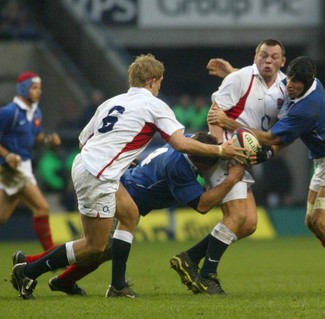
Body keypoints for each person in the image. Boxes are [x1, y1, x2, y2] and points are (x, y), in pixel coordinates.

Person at [11, 54, 247, 300]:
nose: (160, 87)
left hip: (91, 165)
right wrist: (222, 150)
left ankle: (118, 286)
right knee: (94, 246)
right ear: (153, 81)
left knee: (130, 214)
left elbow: (83, 141)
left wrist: (121, 158)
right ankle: (29, 270)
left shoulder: (112, 102)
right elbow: (179, 143)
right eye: (160, 82)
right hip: (99, 173)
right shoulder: (154, 105)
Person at [11, 132, 245, 296]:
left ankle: (59, 279)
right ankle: (30, 267)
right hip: (122, 198)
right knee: (95, 247)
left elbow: (208, 147)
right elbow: (203, 206)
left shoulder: (190, 141)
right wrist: (232, 179)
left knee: (100, 250)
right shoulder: (180, 167)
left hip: (124, 189)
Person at [213, 56, 325, 293]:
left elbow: (271, 139)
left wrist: (229, 123)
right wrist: (233, 71)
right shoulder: (299, 84)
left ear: (309, 83)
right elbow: (272, 86)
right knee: (311, 222)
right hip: (322, 162)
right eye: (290, 80)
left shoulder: (307, 107)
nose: (290, 86)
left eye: (296, 83)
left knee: (321, 220)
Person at [170, 39, 287, 295]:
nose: (268, 60)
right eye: (263, 55)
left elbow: (282, 133)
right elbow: (214, 114)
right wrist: (223, 150)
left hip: (245, 156)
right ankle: (208, 274)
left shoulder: (285, 88)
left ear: (282, 61)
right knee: (236, 217)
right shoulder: (240, 78)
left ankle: (189, 257)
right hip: (225, 153)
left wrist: (266, 153)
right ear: (255, 56)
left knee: (249, 224)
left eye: (274, 57)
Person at [0, 72, 61, 250]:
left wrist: (49, 141)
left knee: (2, 216)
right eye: (34, 88)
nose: (39, 92)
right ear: (23, 89)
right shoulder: (9, 112)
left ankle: (50, 256)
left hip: (24, 167)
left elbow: (37, 137)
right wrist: (7, 155)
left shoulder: (36, 112)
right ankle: (51, 256)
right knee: (42, 207)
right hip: (12, 168)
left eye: (40, 88)